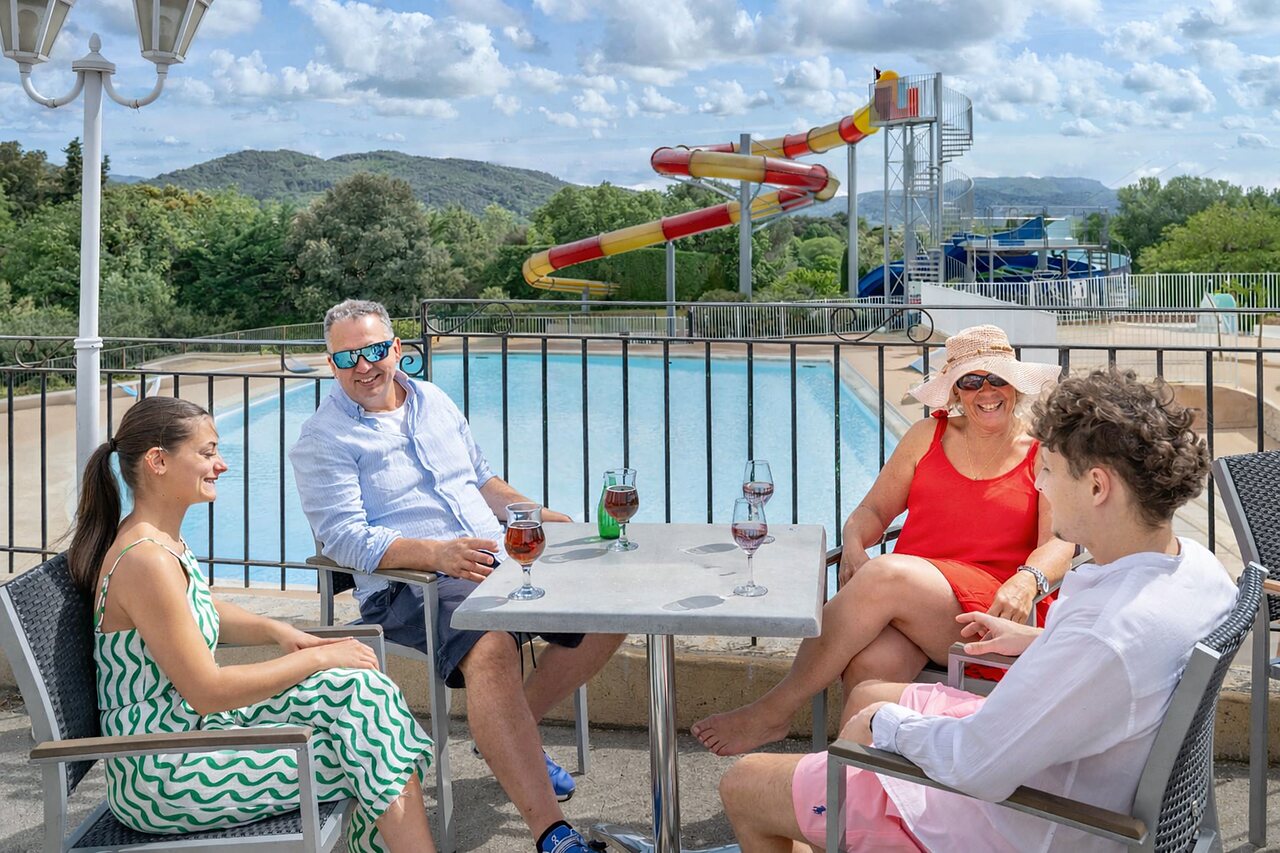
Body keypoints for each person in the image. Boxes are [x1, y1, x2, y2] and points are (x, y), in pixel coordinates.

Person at [717, 367, 1236, 853]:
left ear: (1098, 486)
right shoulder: (1199, 571)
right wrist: (1038, 639)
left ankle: (834, 808)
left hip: (1013, 821)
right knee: (870, 687)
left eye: (1050, 471)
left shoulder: (1102, 639)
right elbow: (1106, 665)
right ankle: (833, 812)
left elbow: (976, 765)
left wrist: (883, 724)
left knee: (746, 782)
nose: (1039, 484)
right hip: (1057, 765)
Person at [290, 299, 624, 853]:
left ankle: (511, 732)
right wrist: (436, 555)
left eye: (374, 351)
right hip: (407, 584)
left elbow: (482, 481)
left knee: (612, 607)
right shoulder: (323, 439)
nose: (363, 367)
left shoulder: (434, 400)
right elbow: (344, 538)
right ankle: (553, 834)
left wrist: (536, 514)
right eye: (347, 357)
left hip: (492, 559)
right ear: (332, 364)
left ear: (396, 348)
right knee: (490, 643)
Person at [67, 396, 435, 852]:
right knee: (377, 748)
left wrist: (279, 631)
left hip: (191, 734)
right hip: (164, 773)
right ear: (158, 461)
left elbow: (199, 608)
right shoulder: (146, 560)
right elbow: (208, 692)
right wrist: (319, 658)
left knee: (363, 695)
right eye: (207, 452)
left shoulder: (158, 541)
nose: (220, 464)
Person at [693, 324, 1075, 756]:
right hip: (912, 605)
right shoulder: (926, 436)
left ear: (1015, 385)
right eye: (971, 381)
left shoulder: (1042, 450)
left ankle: (773, 712)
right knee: (868, 671)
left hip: (994, 608)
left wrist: (1028, 580)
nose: (986, 391)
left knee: (887, 573)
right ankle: (845, 788)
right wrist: (854, 543)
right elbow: (873, 512)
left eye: (997, 378)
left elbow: (1060, 542)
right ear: (955, 391)